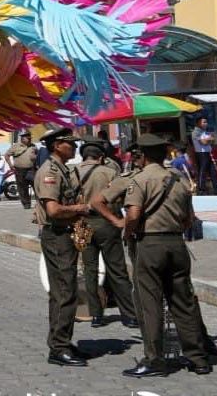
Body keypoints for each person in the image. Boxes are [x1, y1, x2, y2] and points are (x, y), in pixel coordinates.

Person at [121, 134, 210, 378]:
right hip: (176, 243)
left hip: (150, 244)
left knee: (150, 303)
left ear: (143, 155)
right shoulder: (179, 179)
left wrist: (128, 234)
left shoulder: (140, 179)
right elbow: (189, 218)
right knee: (183, 302)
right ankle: (198, 358)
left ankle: (154, 360)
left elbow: (133, 214)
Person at [32, 127, 92, 367]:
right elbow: (54, 210)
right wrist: (80, 209)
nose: (75, 147)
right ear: (57, 145)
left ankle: (61, 341)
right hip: (56, 235)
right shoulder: (50, 172)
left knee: (65, 290)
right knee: (65, 291)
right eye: (70, 143)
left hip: (64, 235)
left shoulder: (62, 170)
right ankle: (59, 347)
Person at [74, 139, 137, 328]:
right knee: (117, 269)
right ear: (101, 157)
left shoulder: (72, 173)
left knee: (89, 270)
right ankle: (129, 314)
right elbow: (123, 196)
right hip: (107, 222)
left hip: (81, 223)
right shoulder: (110, 172)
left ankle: (95, 315)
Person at [6, 131, 37, 209]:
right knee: (22, 188)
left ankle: (40, 203)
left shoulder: (33, 146)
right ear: (22, 138)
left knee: (36, 186)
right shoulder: (15, 146)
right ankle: (26, 204)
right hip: (19, 170)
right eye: (28, 138)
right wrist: (10, 165)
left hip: (31, 169)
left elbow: (38, 155)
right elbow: (7, 155)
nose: (29, 140)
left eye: (30, 138)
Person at [190, 117, 217, 194]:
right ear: (198, 123)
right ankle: (201, 189)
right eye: (203, 122)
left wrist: (209, 139)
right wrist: (210, 139)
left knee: (213, 170)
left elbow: (213, 140)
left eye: (206, 122)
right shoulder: (195, 132)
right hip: (201, 154)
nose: (205, 123)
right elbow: (203, 142)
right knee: (202, 171)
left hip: (207, 153)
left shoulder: (205, 132)